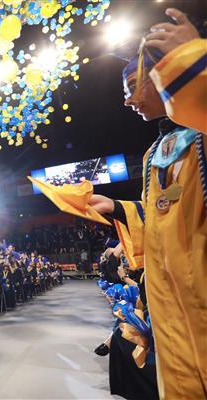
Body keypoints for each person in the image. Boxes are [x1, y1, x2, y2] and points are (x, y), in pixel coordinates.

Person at [87, 11, 206, 398]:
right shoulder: (154, 152)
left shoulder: (202, 134)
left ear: (163, 75)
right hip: (170, 308)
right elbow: (163, 217)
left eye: (135, 84)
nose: (128, 99)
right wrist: (118, 208)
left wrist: (192, 62)